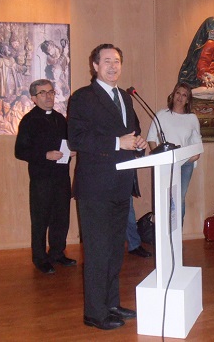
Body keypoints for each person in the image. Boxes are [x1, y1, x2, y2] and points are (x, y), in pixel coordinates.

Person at [68, 44, 148, 330]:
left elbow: (133, 131)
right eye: (107, 61)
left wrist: (140, 143)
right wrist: (118, 143)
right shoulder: (82, 98)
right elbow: (77, 139)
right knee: (98, 252)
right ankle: (94, 313)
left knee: (115, 251)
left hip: (120, 185)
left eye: (117, 61)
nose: (113, 66)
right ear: (94, 65)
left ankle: (111, 303)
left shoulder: (125, 97)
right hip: (95, 188)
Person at [14, 79, 76, 274]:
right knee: (41, 219)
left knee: (61, 217)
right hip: (41, 178)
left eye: (51, 92)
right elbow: (20, 151)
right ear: (33, 98)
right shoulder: (29, 120)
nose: (49, 96)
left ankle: (57, 253)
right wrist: (45, 155)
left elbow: (68, 143)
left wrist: (71, 151)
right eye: (43, 93)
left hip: (61, 176)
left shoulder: (60, 119)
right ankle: (40, 258)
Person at [147, 82, 201, 225]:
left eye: (184, 95)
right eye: (178, 93)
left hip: (184, 165)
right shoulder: (162, 115)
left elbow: (197, 144)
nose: (180, 97)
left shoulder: (192, 118)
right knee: (165, 199)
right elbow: (151, 138)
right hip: (165, 165)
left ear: (188, 100)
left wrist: (194, 156)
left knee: (179, 199)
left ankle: (177, 235)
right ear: (173, 94)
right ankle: (164, 235)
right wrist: (158, 156)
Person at [178, 17, 214, 88]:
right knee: (212, 90)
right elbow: (203, 61)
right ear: (208, 32)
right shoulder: (211, 43)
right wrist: (205, 75)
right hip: (211, 72)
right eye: (213, 30)